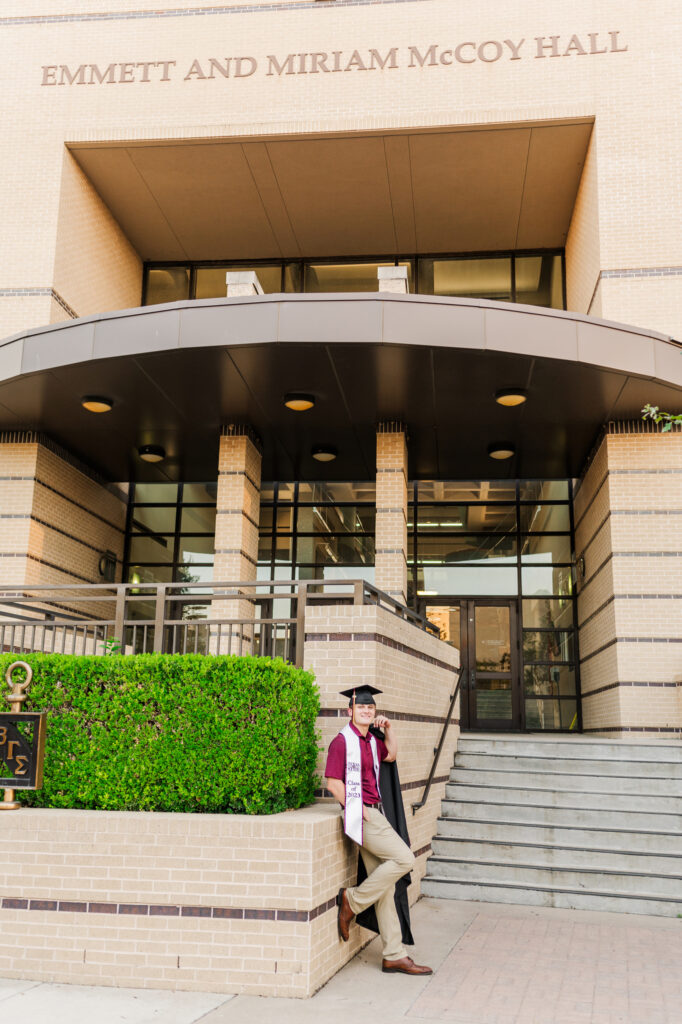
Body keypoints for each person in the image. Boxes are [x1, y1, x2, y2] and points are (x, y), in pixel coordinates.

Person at [325, 684, 433, 976]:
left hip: (375, 813)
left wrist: (389, 731)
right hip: (363, 816)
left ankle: (394, 955)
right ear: (350, 711)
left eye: (370, 708)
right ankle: (353, 900)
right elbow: (333, 782)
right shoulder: (342, 741)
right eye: (361, 707)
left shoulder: (372, 741)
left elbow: (392, 756)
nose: (366, 710)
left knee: (384, 889)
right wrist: (355, 806)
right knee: (405, 860)